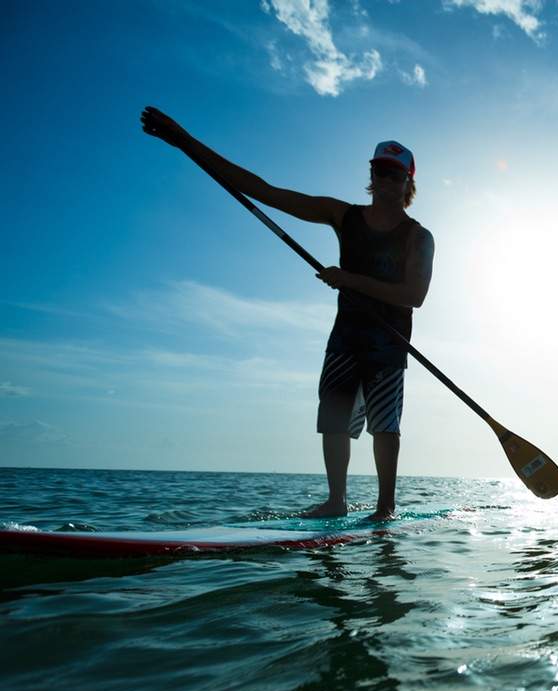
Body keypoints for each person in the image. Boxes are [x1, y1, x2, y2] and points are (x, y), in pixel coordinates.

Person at [140, 107, 434, 520]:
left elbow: (413, 295)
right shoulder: (342, 215)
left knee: (384, 425)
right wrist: (184, 141)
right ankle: (337, 502)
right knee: (332, 418)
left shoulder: (419, 237)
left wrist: (349, 280)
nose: (386, 180)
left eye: (394, 174)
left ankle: (385, 507)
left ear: (408, 182)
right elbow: (264, 190)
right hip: (346, 338)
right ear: (371, 176)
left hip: (388, 343)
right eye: (380, 172)